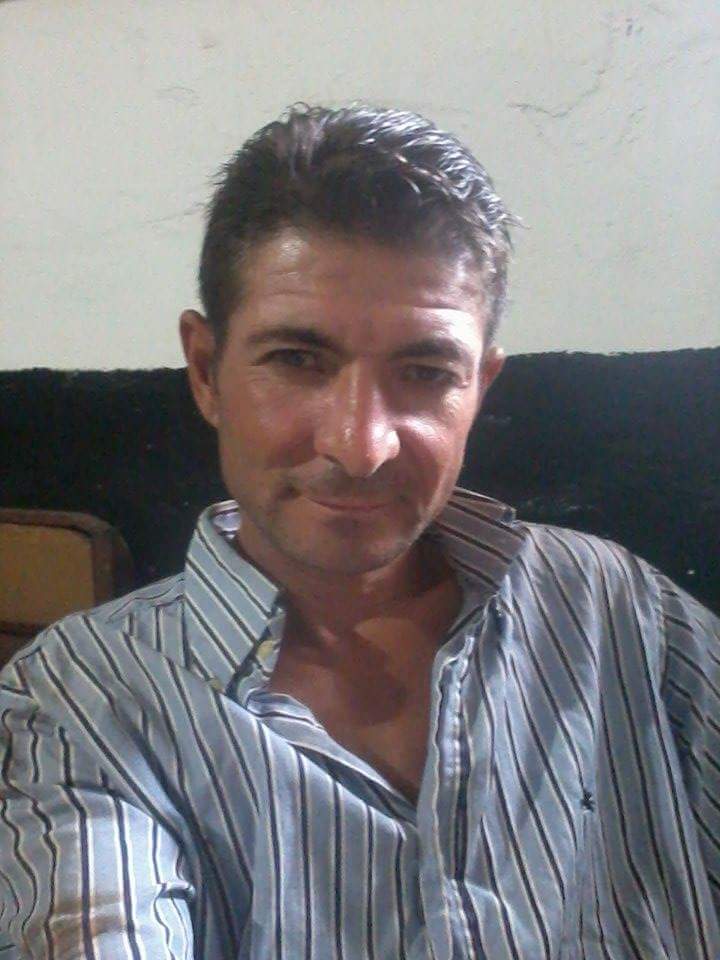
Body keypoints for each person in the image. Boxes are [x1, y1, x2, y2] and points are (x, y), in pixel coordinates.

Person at [0, 103, 718, 960]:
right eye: (298, 360)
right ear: (205, 371)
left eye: (425, 372)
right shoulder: (79, 699)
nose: (361, 445)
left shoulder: (618, 609)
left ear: (480, 389)